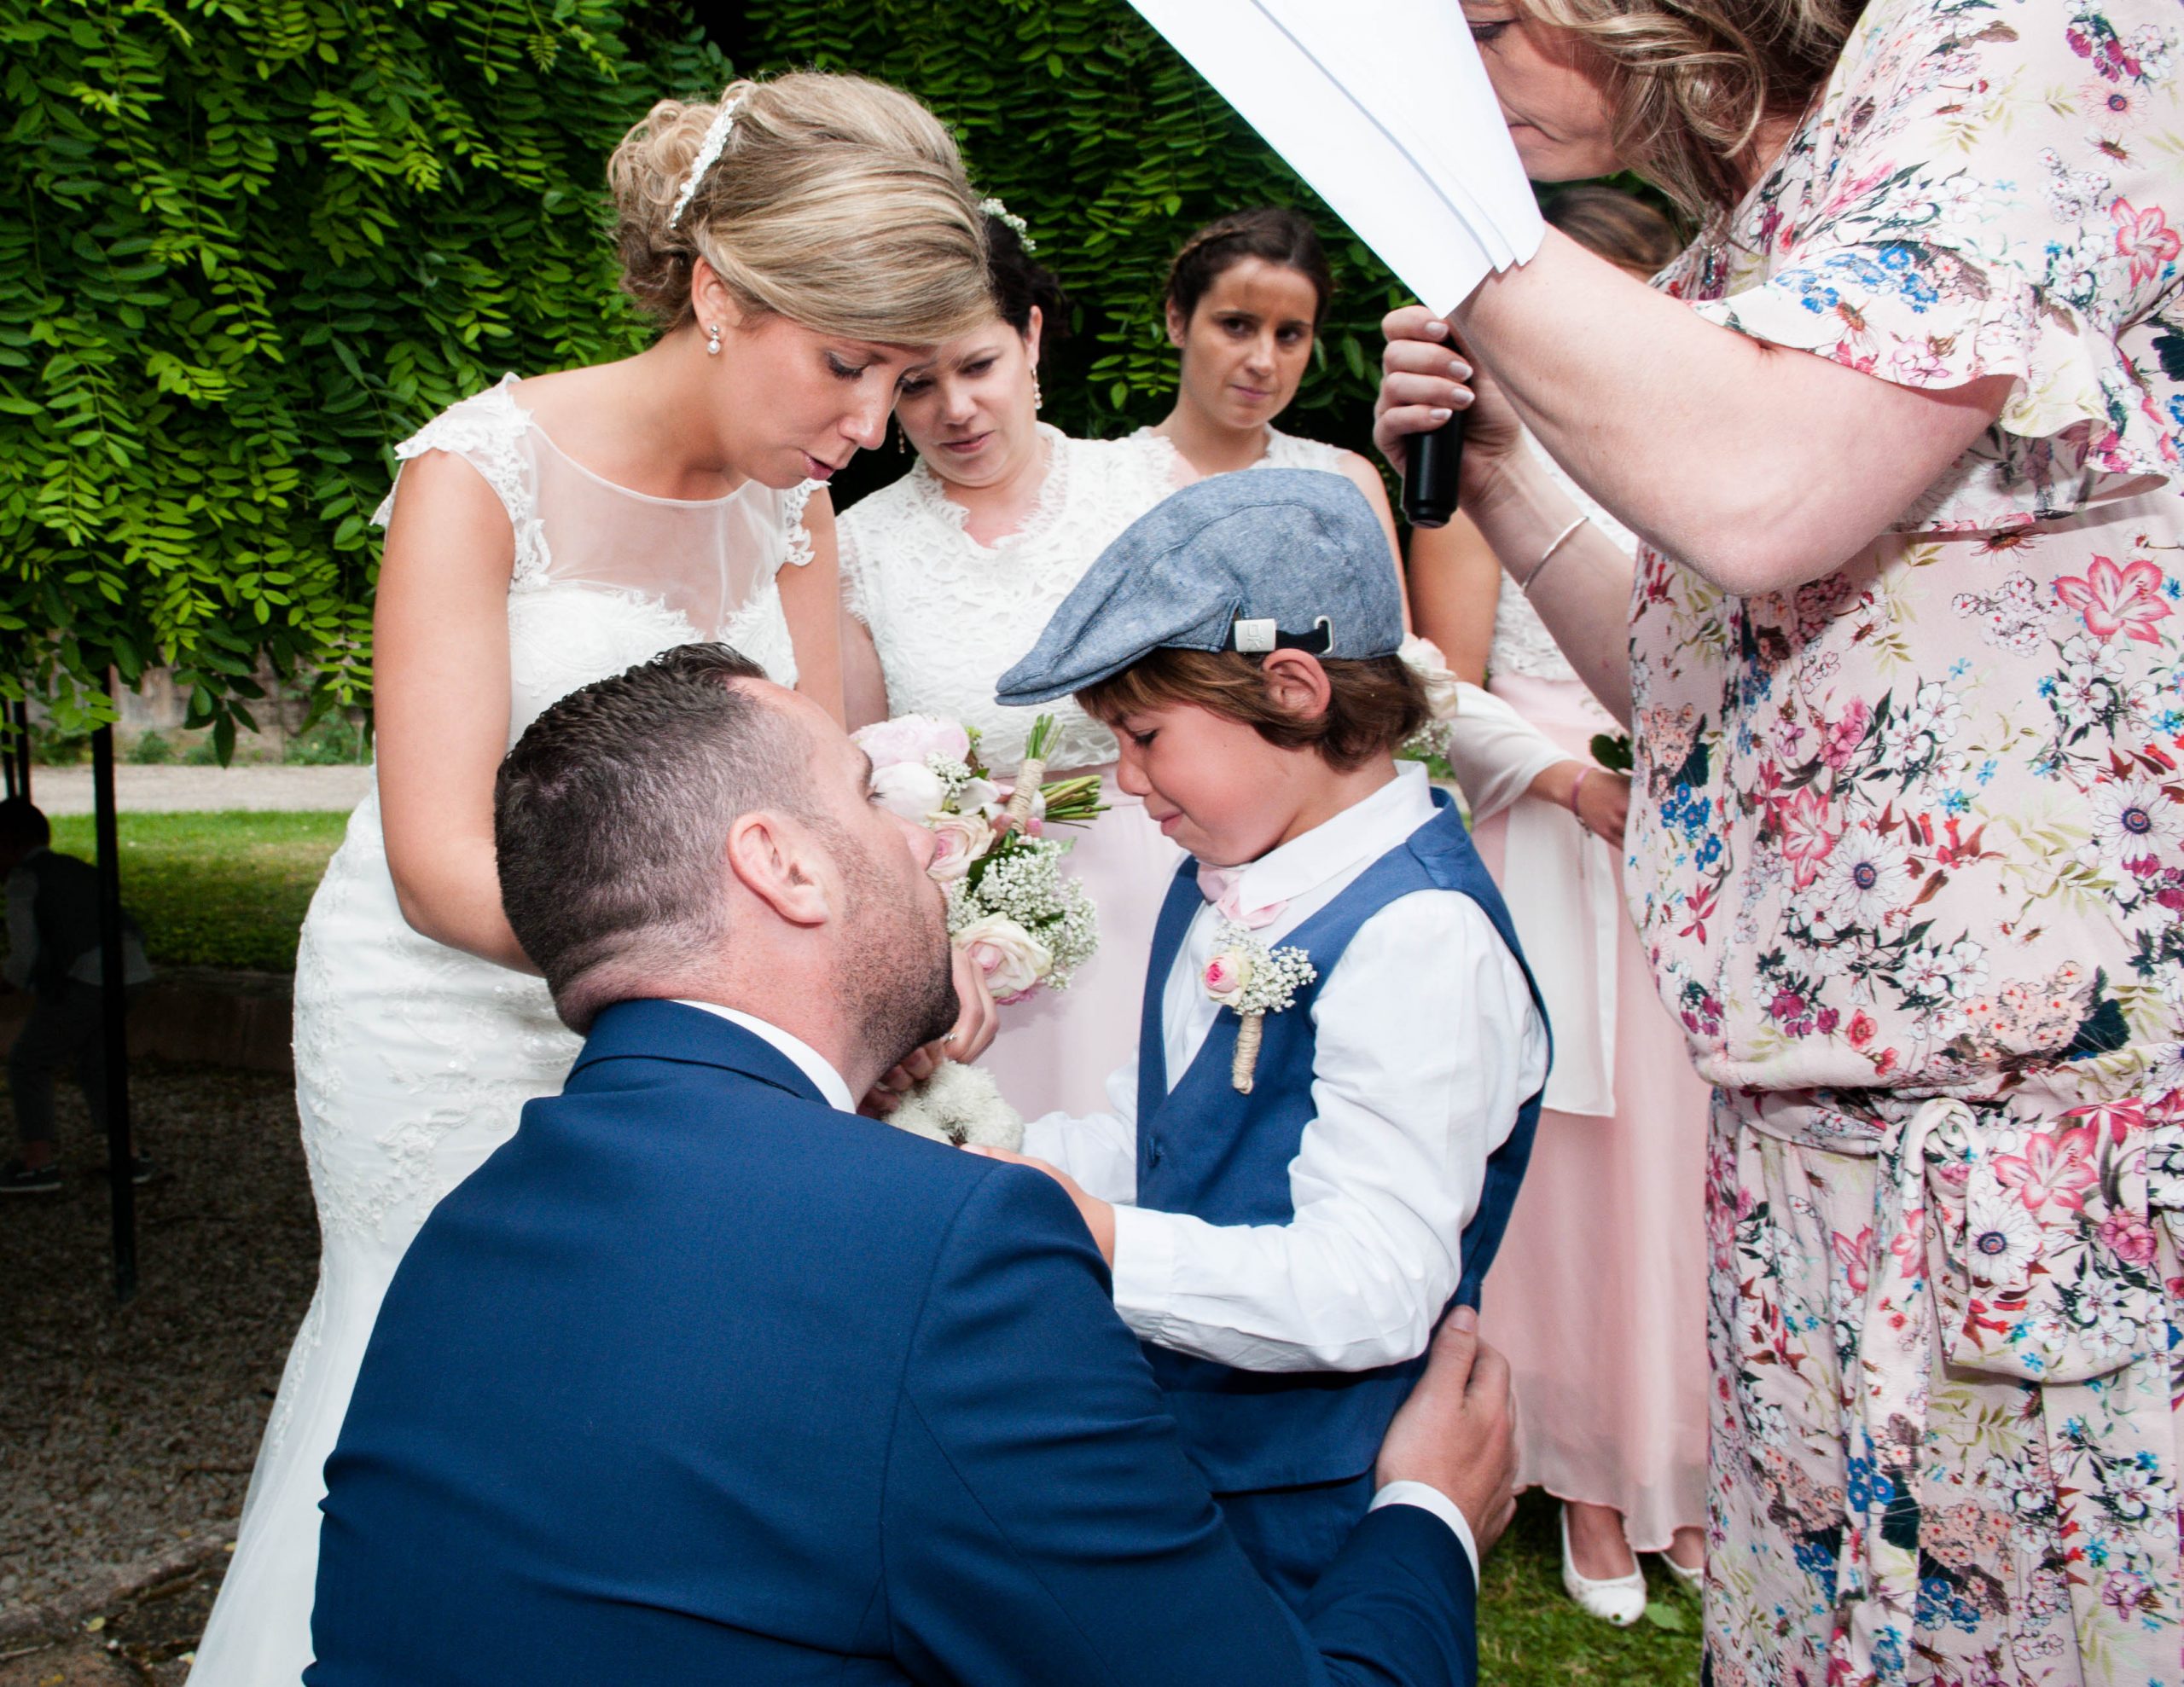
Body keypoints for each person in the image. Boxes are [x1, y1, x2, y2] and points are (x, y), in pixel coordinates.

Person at [1373, 0, 2184, 1678]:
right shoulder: (1750, 246)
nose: (1466, 77)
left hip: (2040, 1195)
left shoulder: (2021, 50)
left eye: (1486, 24)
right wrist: (1508, 481)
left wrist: (1431, 192)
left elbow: (1759, 492)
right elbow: (1704, 699)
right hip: (1802, 1180)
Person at [190, 72, 999, 1686]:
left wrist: (914, 950)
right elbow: (439, 865)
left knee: (669, 1366)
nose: (867, 425)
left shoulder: (793, 502)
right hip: (454, 997)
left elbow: (813, 803)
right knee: (434, 1358)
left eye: (899, 379)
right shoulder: (477, 473)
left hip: (706, 1007)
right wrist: (759, 991)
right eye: (846, 364)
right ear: (721, 292)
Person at [305, 641, 1519, 1687]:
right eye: (867, 793)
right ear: (784, 865)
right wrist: (1431, 1512)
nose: (921, 837)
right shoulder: (952, 1258)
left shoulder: (465, 1225)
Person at [988, 470, 1549, 1612]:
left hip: (1316, 1501)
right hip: (1186, 1454)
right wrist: (974, 1170)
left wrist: (1085, 1236)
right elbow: (1160, 1140)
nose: (1126, 778)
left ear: (1292, 690)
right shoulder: (1226, 876)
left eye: (1144, 736)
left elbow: (1372, 1286)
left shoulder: (1420, 938)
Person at [1409, 184, 1710, 1625]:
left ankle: (1680, 1458)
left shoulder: (1692, 457)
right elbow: (1435, 685)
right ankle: (1583, 1469)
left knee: (1671, 1154)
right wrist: (1563, 775)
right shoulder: (1488, 468)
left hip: (1679, 837)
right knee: (1570, 1160)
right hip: (1542, 830)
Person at [839, 209, 1183, 1116]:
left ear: (1030, 338)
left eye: (977, 366)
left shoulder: (1149, 493)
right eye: (916, 383)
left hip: (1161, 887)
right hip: (969, 937)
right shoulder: (859, 549)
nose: (953, 409)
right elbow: (857, 781)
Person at [1135, 208, 1402, 565]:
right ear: (1177, 321)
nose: (1263, 362)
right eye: (1236, 325)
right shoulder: (1085, 478)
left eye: (1288, 334)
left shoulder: (1345, 482)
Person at [0, 798, 153, 1195]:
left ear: (9, 844)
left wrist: (8, 982)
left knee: (28, 1061)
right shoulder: (77, 868)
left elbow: (23, 958)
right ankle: (128, 1156)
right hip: (133, 971)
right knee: (97, 1064)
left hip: (90, 977)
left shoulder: (24, 881)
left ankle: (37, 1163)